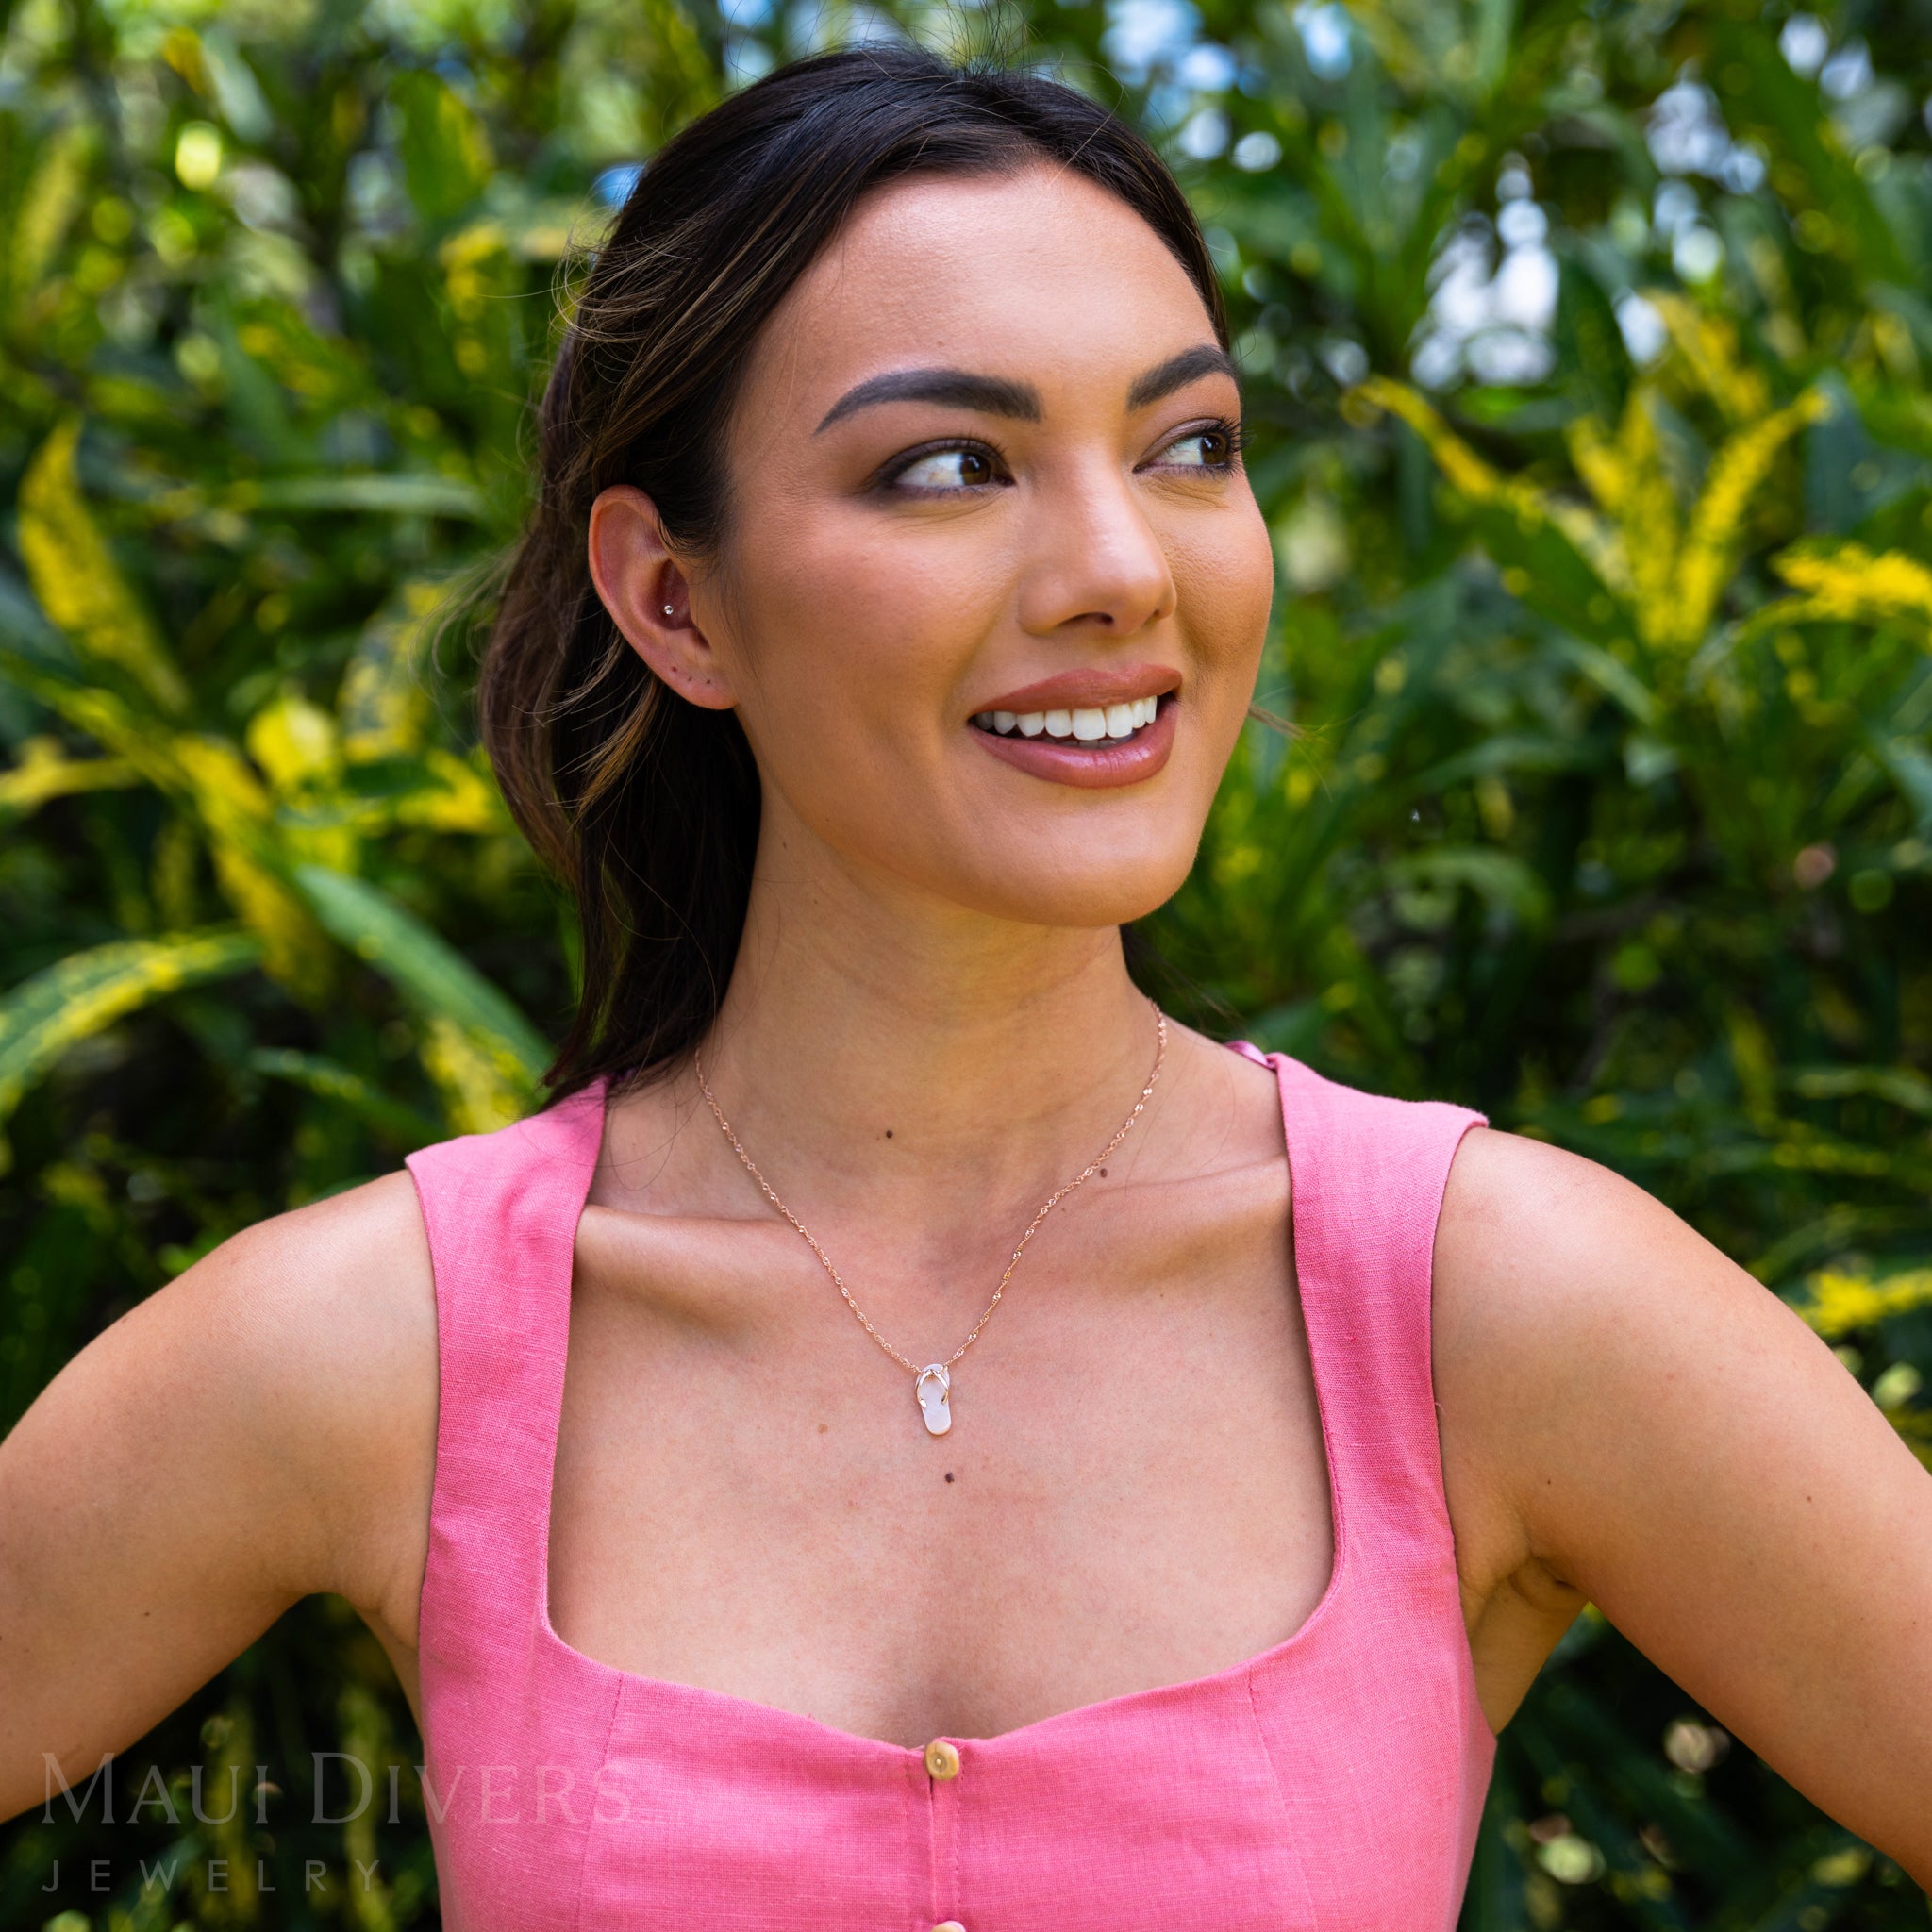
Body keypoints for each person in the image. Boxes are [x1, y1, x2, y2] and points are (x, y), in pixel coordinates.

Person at [2, 45, 1927, 1929]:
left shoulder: (1483, 1307)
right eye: (947, 466)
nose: (1119, 568)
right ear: (673, 598)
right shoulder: (394, 1352)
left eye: (1190, 447)